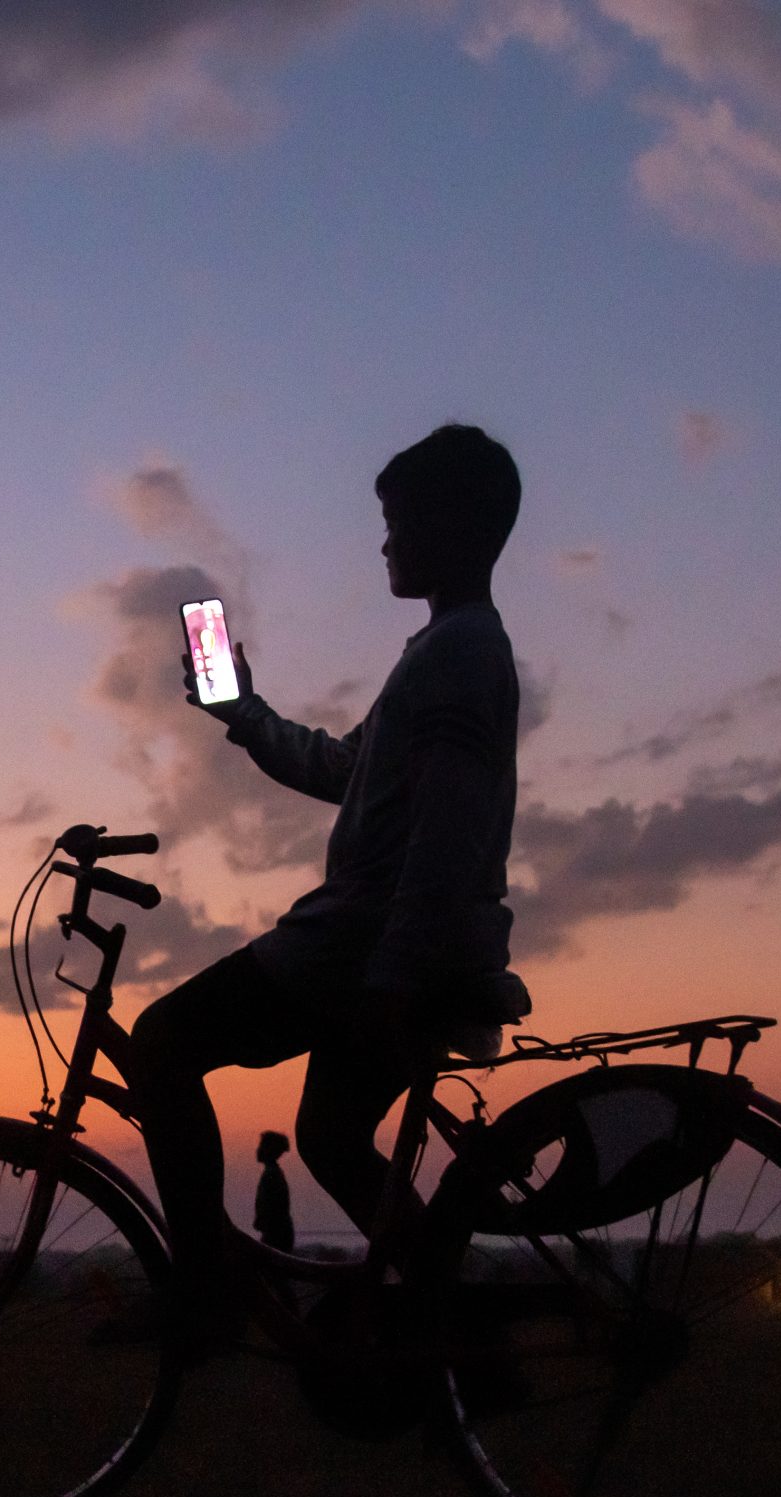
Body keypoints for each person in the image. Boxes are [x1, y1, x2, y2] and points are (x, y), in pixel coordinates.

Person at [133, 424, 529, 1352]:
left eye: (399, 523)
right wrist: (246, 715)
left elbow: (446, 837)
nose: (385, 543)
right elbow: (350, 770)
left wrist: (394, 978)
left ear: (458, 527)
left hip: (365, 949)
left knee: (160, 1043)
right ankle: (451, 1334)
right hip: (396, 946)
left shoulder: (462, 654)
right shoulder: (446, 649)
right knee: (332, 1142)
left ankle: (206, 1292)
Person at [253, 1131, 296, 1253]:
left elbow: (274, 1206)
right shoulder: (273, 1173)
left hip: (276, 1234)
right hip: (275, 1232)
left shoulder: (272, 1175)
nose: (258, 1150)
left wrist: (262, 1220)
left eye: (262, 1145)